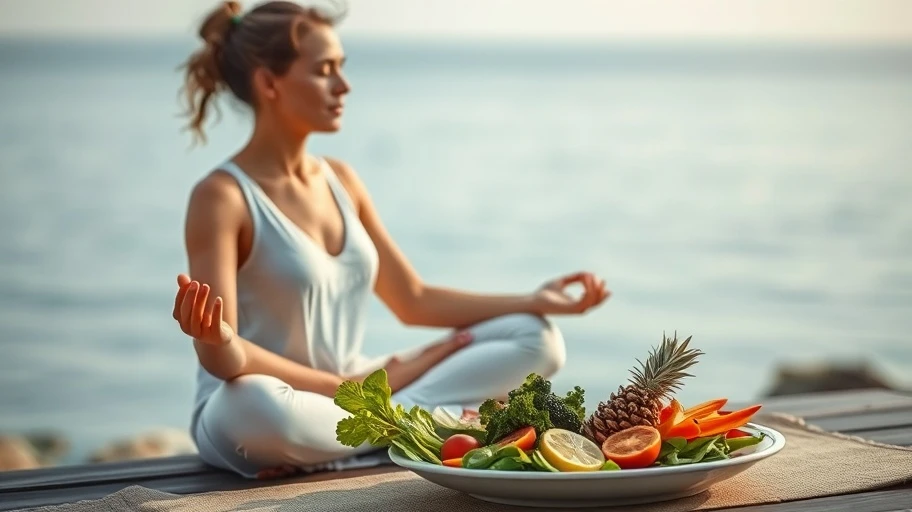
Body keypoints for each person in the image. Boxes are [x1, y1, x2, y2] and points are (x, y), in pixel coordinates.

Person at [172, 0, 610, 480]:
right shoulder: (222, 196)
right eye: (324, 71)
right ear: (269, 82)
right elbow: (223, 357)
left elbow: (412, 300)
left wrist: (533, 299)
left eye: (341, 68)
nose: (344, 85)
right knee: (253, 405)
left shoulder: (341, 180)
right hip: (272, 405)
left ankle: (385, 428)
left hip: (358, 397)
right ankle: (434, 422)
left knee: (535, 336)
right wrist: (349, 385)